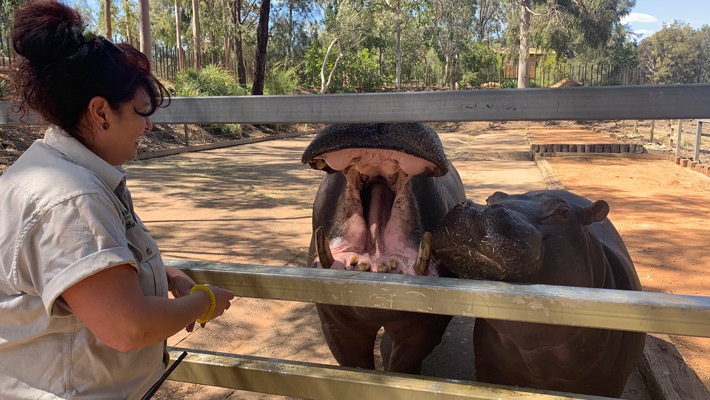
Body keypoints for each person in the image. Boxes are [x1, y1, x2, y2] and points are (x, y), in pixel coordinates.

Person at [0, 1, 235, 398]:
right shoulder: (71, 198)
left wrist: (164, 275)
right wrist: (205, 302)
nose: (148, 124)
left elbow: (90, 275)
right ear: (101, 113)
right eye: (141, 110)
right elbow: (128, 327)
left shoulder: (52, 174)